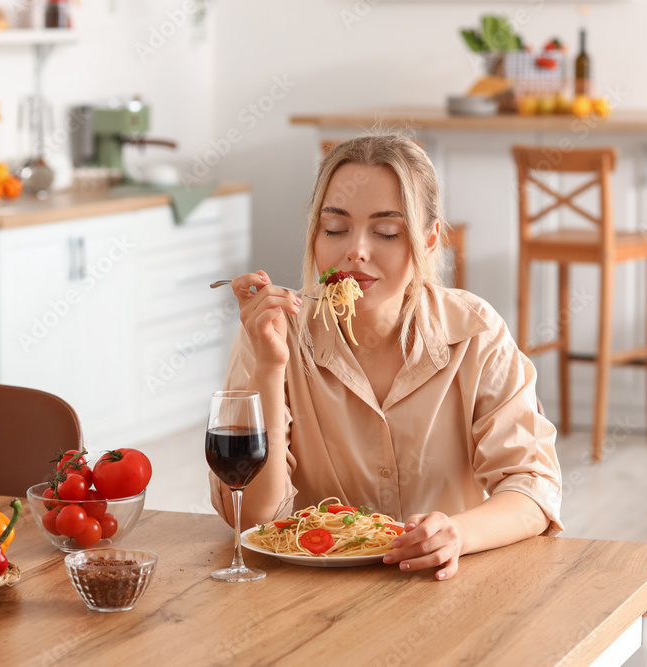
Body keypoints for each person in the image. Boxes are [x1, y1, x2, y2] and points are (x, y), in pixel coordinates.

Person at [210, 134, 562, 581]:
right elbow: (254, 518)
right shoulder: (271, 335)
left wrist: (456, 533)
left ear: (430, 241)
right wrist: (269, 366)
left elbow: (533, 489)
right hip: (308, 599)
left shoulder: (475, 332)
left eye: (387, 232)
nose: (356, 249)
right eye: (335, 228)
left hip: (446, 588)